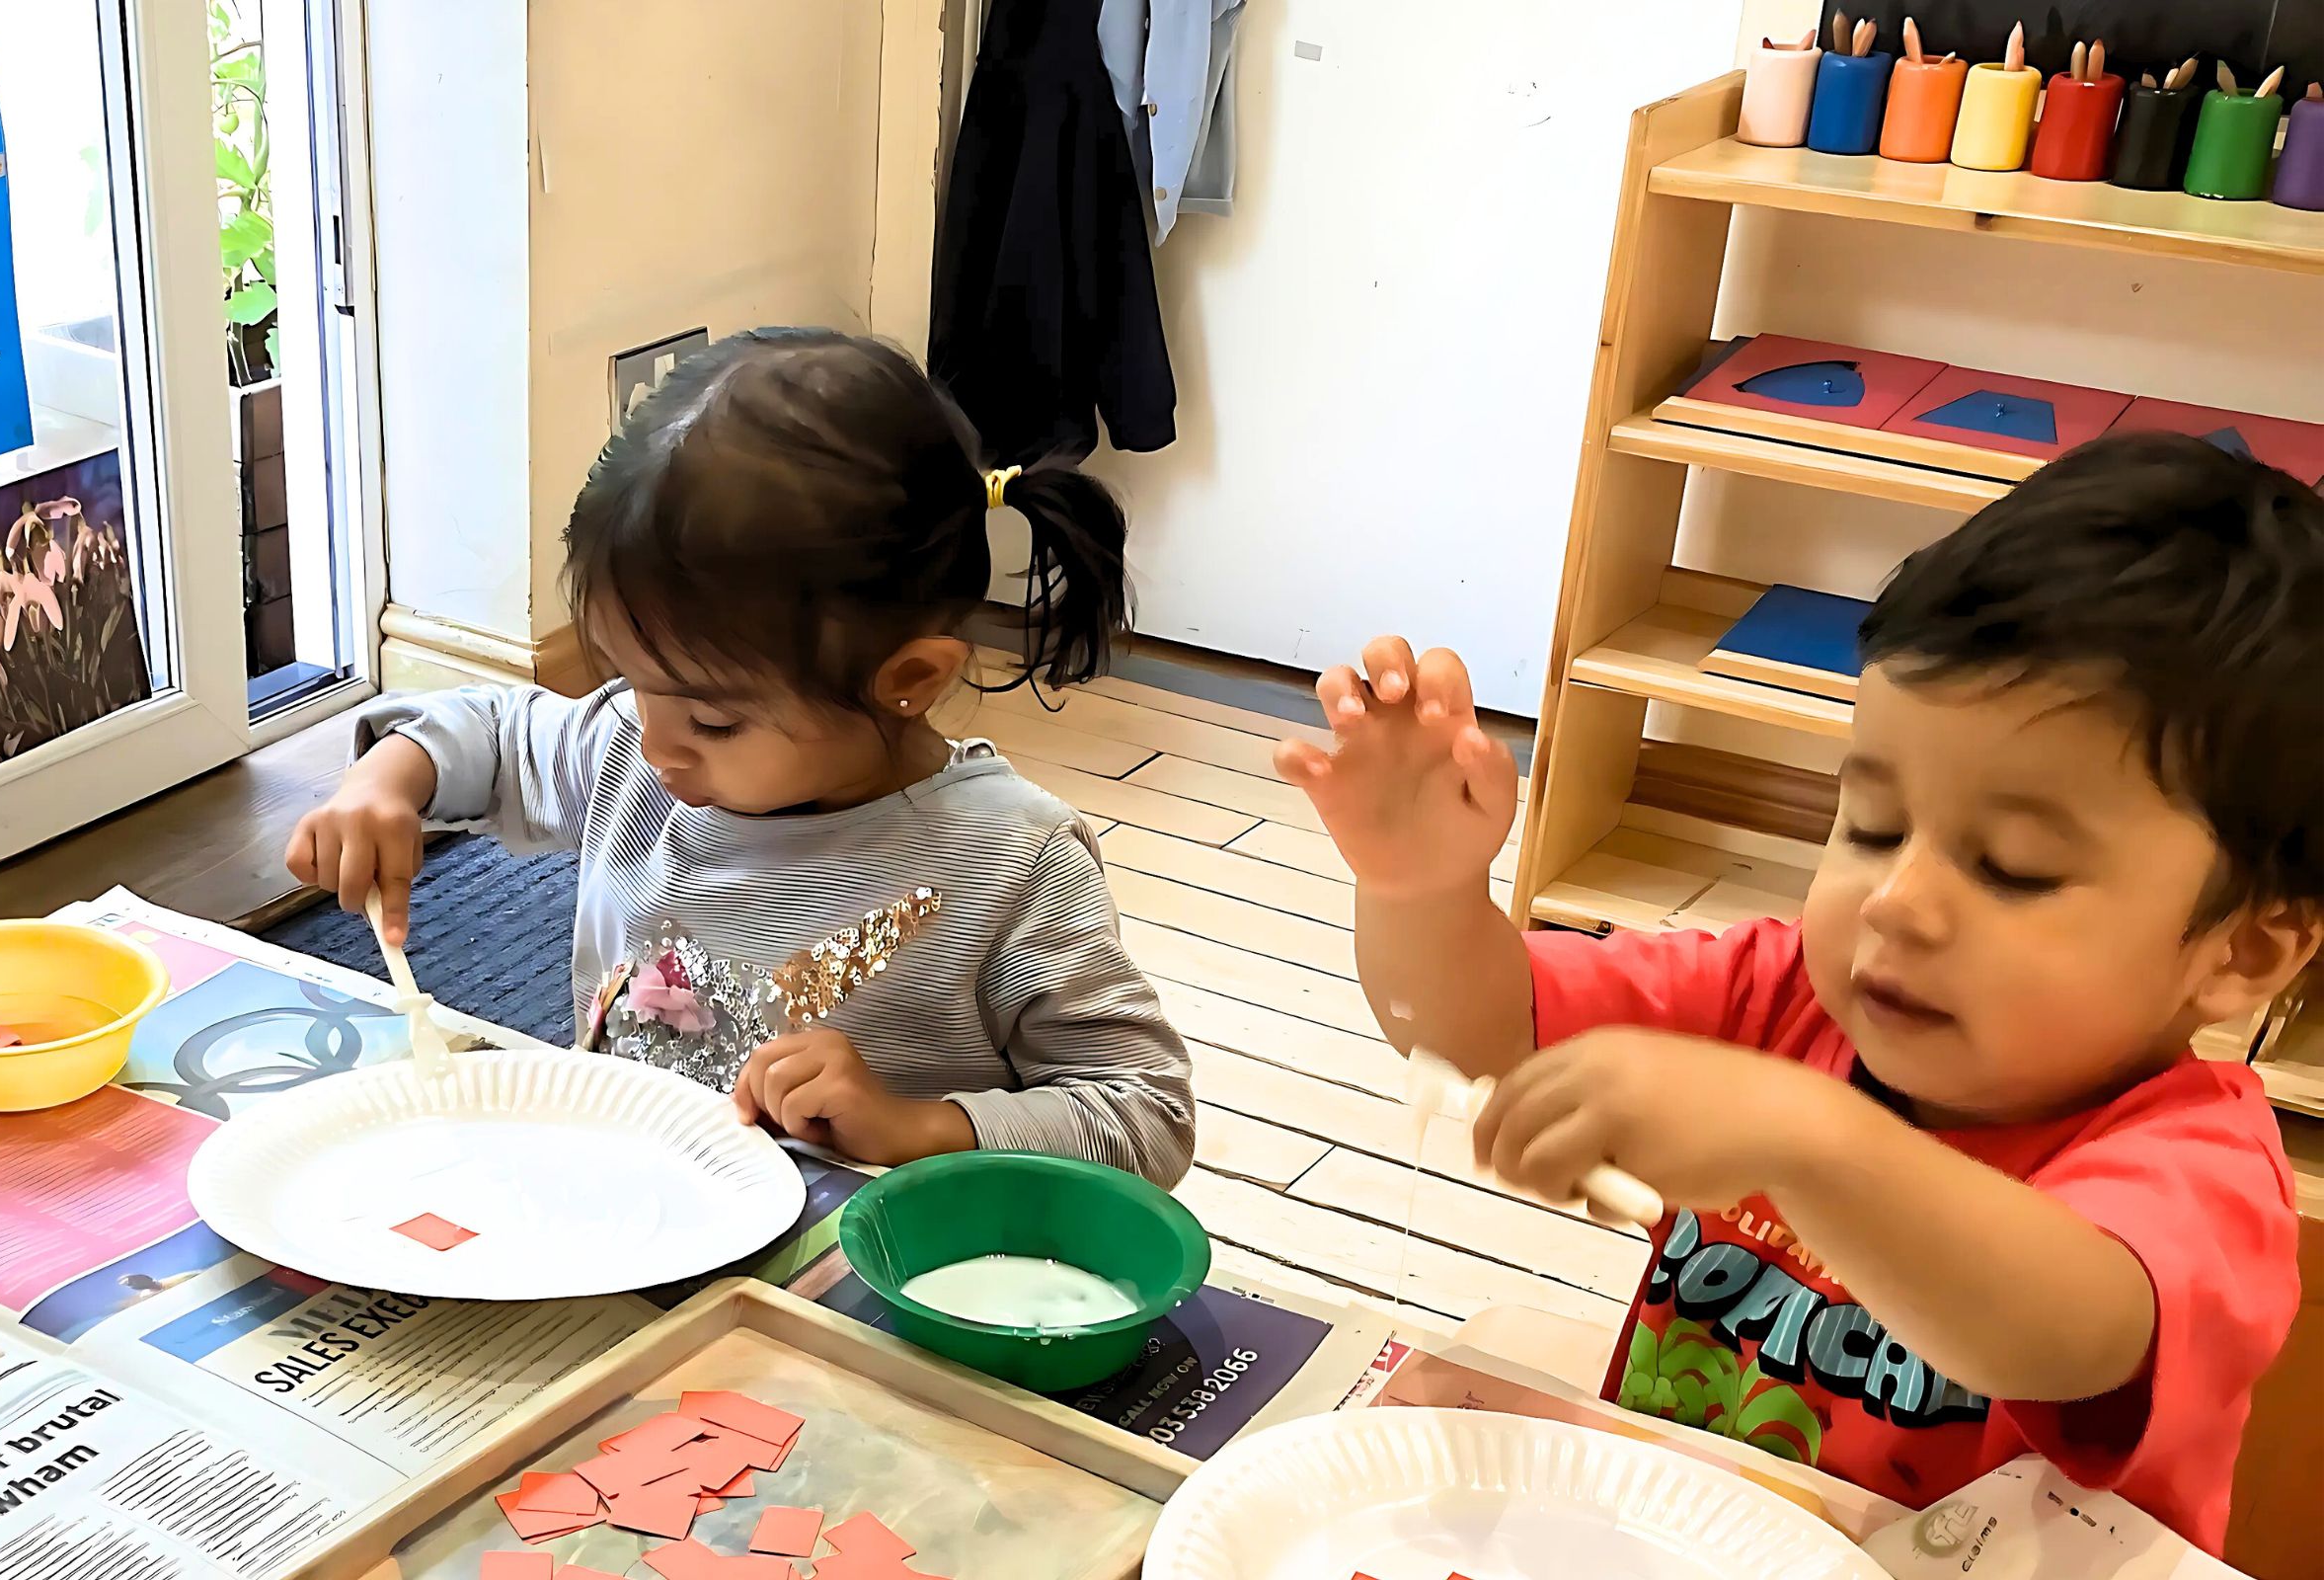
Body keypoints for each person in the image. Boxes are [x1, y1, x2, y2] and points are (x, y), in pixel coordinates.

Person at [1278, 434, 2322, 1549]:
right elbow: (1472, 1029)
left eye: (2012, 865)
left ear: (2245, 952)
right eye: (1871, 825)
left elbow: (2065, 1329)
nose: (1899, 903)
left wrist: (1806, 1138)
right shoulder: (1783, 998)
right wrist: (1421, 886)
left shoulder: (2198, 1166)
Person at [287, 329, 1194, 1188]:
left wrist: (919, 1127)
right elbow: (491, 729)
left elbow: (1143, 1113)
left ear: (907, 678)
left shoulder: (1011, 860)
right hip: (628, 1198)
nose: (654, 740)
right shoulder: (632, 755)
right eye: (634, 681)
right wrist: (389, 779)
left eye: (714, 722)